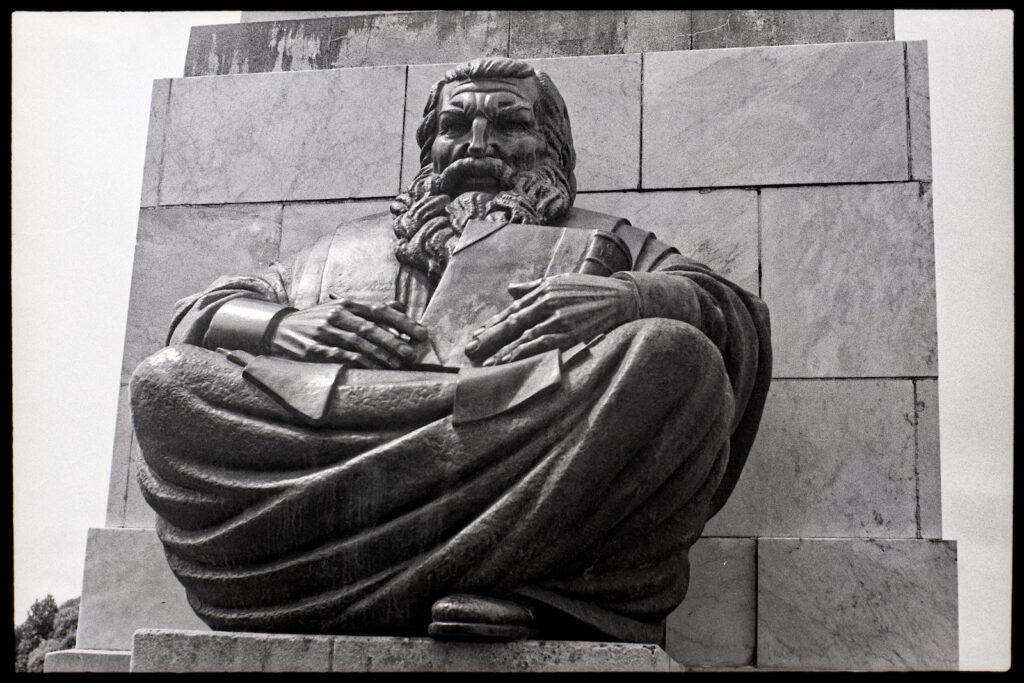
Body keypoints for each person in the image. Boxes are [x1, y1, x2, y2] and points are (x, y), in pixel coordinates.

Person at [130, 57, 771, 644]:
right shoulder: (345, 249)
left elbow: (728, 310)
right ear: (429, 146)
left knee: (674, 356)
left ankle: (527, 585)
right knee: (167, 382)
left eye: (509, 124)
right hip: (355, 432)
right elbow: (201, 313)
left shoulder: (604, 242)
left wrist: (626, 300)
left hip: (519, 427)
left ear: (552, 146)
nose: (478, 143)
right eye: (456, 124)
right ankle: (456, 575)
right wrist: (281, 328)